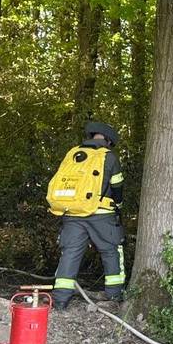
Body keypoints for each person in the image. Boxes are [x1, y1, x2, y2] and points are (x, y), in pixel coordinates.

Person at [46, 122, 126, 311]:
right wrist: (119, 206)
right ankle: (114, 296)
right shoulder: (108, 156)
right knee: (111, 251)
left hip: (72, 213)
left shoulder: (73, 153)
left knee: (70, 254)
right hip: (101, 214)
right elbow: (117, 186)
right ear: (108, 140)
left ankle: (59, 300)